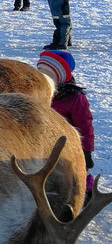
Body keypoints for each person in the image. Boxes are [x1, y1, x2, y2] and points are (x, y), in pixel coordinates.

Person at [36, 50, 95, 205]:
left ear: (59, 77)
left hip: (69, 145)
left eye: (48, 75)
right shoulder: (39, 93)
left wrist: (87, 152)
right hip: (44, 143)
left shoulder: (74, 98)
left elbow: (85, 125)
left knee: (77, 170)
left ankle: (87, 190)